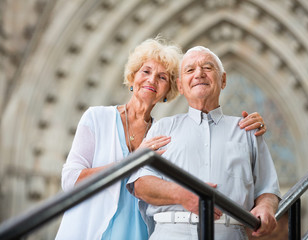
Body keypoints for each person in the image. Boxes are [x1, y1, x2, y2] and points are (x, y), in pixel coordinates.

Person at [55, 38, 268, 240]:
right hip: (93, 227)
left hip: (139, 230)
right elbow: (71, 180)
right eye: (146, 71)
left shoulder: (163, 131)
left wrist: (252, 127)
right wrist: (132, 161)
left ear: (171, 88)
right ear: (132, 77)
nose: (152, 80)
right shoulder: (98, 118)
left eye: (162, 77)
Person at [128, 46, 281, 240]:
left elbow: (267, 188)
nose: (199, 73)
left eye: (207, 68)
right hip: (171, 233)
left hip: (230, 233)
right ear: (181, 86)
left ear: (223, 80)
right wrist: (183, 195)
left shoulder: (248, 130)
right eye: (190, 70)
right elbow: (141, 184)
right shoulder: (162, 128)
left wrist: (266, 207)